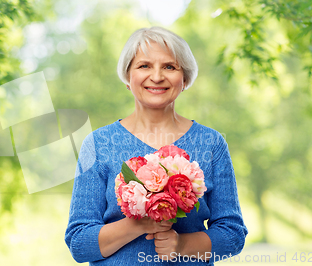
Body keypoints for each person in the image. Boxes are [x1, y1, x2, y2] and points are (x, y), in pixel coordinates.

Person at [65, 26, 247, 265]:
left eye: (169, 67)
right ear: (128, 76)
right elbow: (79, 244)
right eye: (144, 66)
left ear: (185, 79)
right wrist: (141, 223)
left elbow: (233, 235)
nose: (157, 76)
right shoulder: (98, 144)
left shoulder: (211, 143)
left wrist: (182, 245)